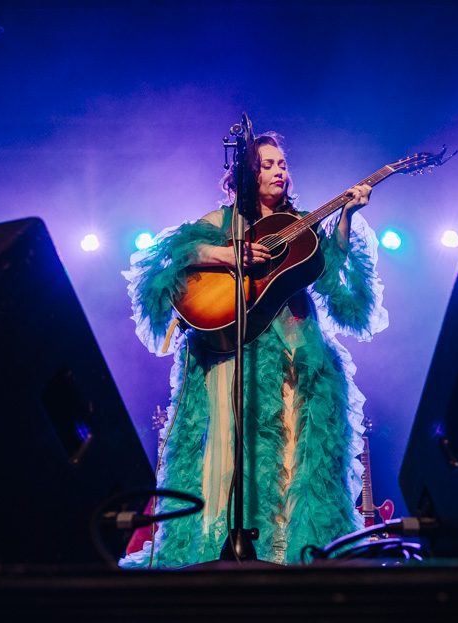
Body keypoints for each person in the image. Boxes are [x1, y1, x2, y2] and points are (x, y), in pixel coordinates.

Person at [121, 132, 387, 568]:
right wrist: (231, 256)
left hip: (298, 361)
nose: (280, 169)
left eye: (283, 163)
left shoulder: (302, 224)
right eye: (268, 163)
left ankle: (288, 560)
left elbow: (333, 279)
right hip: (236, 358)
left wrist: (346, 220)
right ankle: (228, 558)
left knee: (292, 460)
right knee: (233, 458)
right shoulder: (224, 222)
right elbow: (177, 255)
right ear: (247, 172)